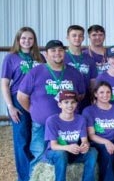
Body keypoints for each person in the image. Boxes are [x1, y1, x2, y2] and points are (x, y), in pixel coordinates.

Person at [17, 39, 88, 169]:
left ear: (64, 53)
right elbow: (21, 96)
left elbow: (81, 95)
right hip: (41, 124)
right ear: (46, 54)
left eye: (60, 50)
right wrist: (34, 111)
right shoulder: (35, 72)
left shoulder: (74, 73)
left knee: (66, 157)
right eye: (53, 50)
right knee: (39, 154)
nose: (57, 53)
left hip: (67, 126)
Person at [1, 26, 45, 181]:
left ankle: (38, 173)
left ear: (34, 40)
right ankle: (25, 178)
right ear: (18, 40)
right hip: (18, 100)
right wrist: (10, 106)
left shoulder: (40, 57)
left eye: (30, 38)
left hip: (37, 100)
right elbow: (4, 84)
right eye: (23, 38)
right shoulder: (11, 58)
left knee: (38, 137)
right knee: (22, 139)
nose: (27, 41)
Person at [42, 90, 99, 181]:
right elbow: (53, 145)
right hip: (56, 153)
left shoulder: (80, 119)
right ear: (60, 104)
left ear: (76, 104)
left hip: (72, 152)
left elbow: (84, 140)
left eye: (73, 102)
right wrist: (68, 147)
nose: (70, 105)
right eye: (66, 102)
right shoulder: (52, 120)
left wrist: (85, 146)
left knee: (92, 152)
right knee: (61, 154)